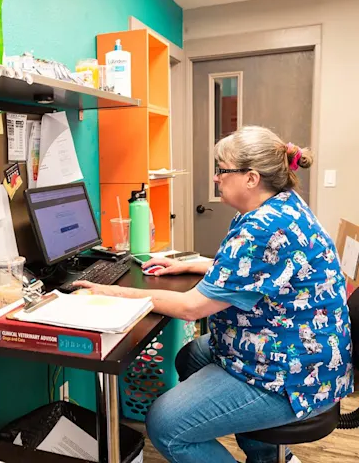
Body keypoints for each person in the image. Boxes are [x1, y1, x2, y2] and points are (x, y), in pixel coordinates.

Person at [74, 126, 354, 463]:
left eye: (223, 170)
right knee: (190, 356)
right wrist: (193, 265)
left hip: (292, 373)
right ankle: (266, 455)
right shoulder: (279, 206)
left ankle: (263, 447)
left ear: (251, 178)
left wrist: (114, 293)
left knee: (165, 425)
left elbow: (192, 308)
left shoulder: (263, 227)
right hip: (292, 349)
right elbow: (259, 270)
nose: (217, 177)